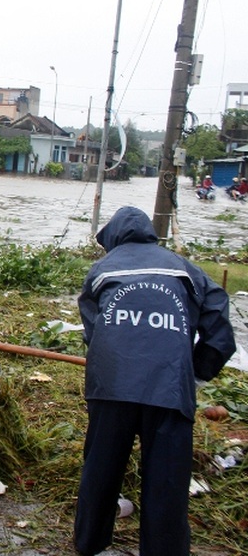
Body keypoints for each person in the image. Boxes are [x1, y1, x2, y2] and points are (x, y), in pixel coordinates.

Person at [74, 206, 235, 556]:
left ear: (113, 237)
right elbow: (220, 328)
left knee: (101, 471)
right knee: (167, 484)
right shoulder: (186, 269)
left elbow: (93, 331)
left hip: (112, 387)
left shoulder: (102, 270)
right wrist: (194, 369)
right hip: (169, 390)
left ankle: (89, 545)